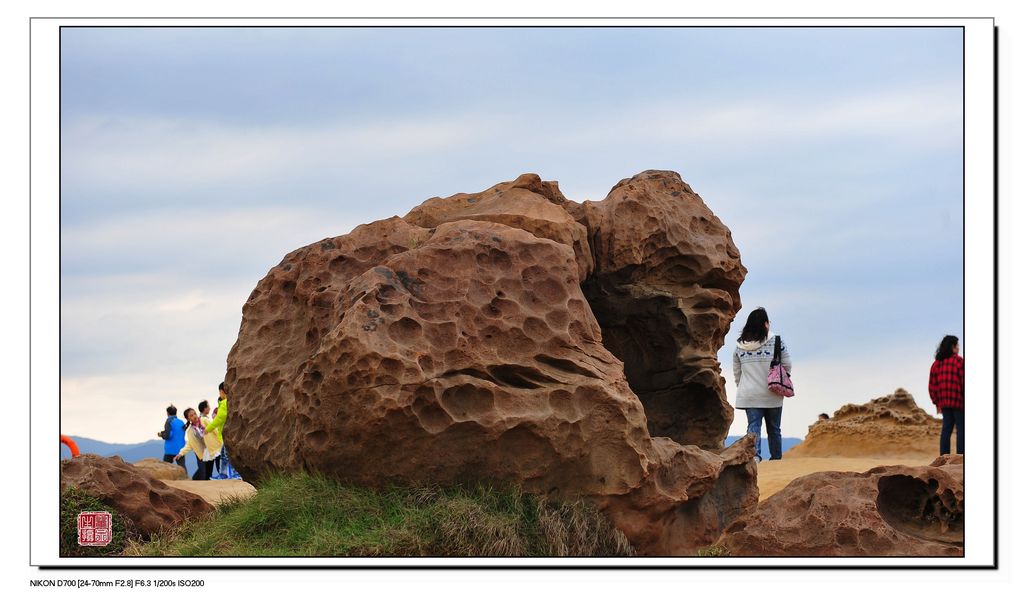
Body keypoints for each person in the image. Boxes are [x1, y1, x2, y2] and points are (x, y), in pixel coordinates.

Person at [733, 307, 792, 462]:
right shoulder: (776, 342)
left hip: (749, 394)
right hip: (773, 393)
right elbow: (787, 364)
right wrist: (780, 380)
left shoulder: (739, 346)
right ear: (765, 324)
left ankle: (754, 458)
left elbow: (737, 373)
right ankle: (776, 459)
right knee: (774, 429)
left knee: (753, 428)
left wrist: (744, 385)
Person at [928, 335, 964, 455]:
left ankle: (944, 457)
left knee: (946, 429)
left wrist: (936, 402)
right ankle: (961, 457)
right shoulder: (959, 361)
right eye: (957, 345)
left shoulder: (936, 364)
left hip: (944, 403)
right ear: (953, 347)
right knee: (961, 429)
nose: (959, 348)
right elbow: (964, 382)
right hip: (959, 402)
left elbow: (932, 386)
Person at [175, 408, 214, 480]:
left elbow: (214, 430)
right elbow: (190, 444)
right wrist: (181, 453)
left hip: (210, 450)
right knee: (203, 474)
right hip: (200, 453)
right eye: (191, 415)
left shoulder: (204, 420)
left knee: (208, 474)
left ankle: (195, 480)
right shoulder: (190, 430)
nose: (194, 416)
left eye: (195, 414)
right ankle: (195, 482)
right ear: (188, 419)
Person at [198, 399, 224, 476]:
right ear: (205, 408)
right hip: (214, 445)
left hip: (208, 446)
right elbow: (215, 430)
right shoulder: (205, 419)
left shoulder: (200, 419)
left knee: (208, 468)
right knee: (219, 465)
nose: (209, 408)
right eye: (208, 407)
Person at [158, 405, 186, 469]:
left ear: (167, 413)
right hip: (180, 448)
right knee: (182, 467)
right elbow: (179, 432)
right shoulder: (181, 422)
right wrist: (163, 432)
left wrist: (161, 434)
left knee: (165, 467)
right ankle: (186, 478)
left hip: (170, 449)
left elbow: (168, 435)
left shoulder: (169, 421)